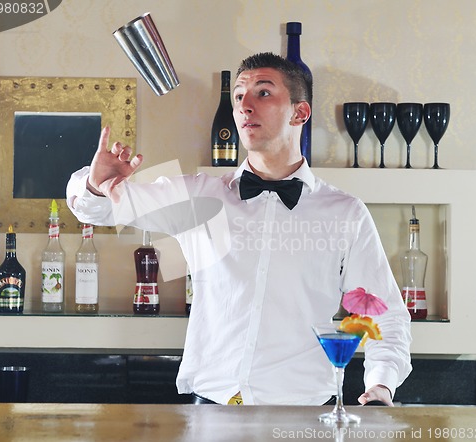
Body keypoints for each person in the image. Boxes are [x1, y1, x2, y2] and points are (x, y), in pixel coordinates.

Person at [66, 52, 412, 406]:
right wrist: (95, 185)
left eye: (263, 93)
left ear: (300, 112)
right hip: (209, 414)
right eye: (238, 97)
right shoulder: (198, 195)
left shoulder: (346, 213)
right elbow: (98, 209)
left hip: (301, 415)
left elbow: (384, 313)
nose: (245, 106)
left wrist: (382, 385)